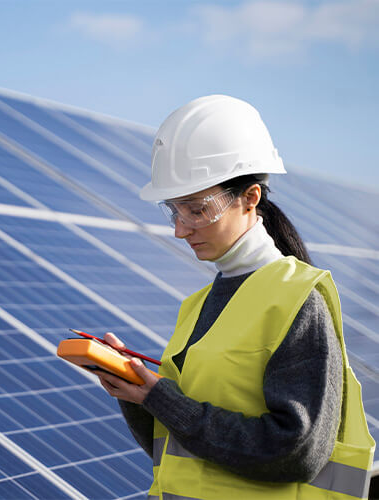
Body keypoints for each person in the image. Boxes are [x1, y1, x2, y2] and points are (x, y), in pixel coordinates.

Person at [94, 95, 375, 499]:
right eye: (174, 211)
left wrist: (161, 398)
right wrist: (137, 392)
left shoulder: (296, 298)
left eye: (197, 210)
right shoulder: (196, 306)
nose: (180, 229)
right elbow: (178, 447)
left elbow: (296, 451)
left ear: (251, 198)